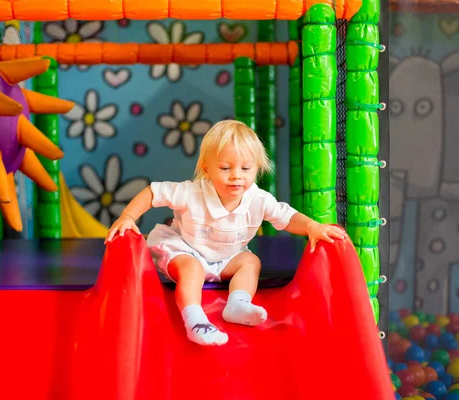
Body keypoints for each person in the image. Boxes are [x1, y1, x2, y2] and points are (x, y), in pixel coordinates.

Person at [105, 120, 347, 346]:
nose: (236, 175)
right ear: (206, 169)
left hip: (225, 258)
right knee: (192, 269)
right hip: (185, 249)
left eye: (246, 168)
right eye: (225, 167)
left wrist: (312, 227)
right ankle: (195, 320)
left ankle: (238, 304)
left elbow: (286, 217)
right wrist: (127, 217)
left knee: (250, 261)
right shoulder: (192, 193)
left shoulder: (258, 199)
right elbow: (152, 192)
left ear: (257, 169)